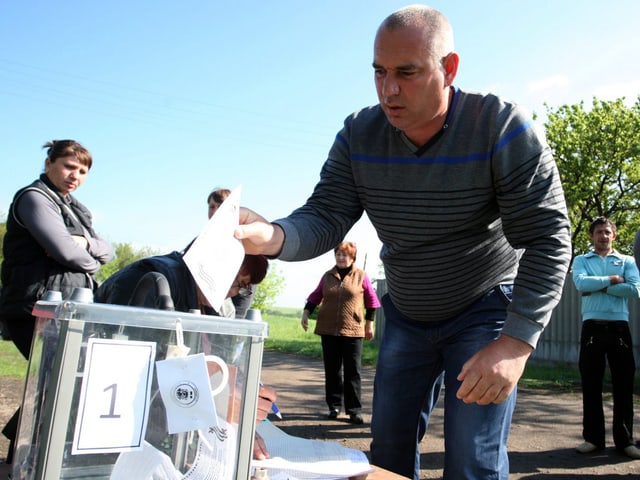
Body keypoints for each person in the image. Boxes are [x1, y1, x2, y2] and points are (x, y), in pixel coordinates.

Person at [233, 5, 571, 478]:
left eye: (406, 73)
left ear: (448, 69)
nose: (389, 89)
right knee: (385, 453)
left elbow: (549, 236)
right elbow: (326, 214)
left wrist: (515, 342)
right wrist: (274, 235)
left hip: (483, 310)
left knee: (471, 458)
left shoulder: (501, 127)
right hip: (408, 315)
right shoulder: (359, 134)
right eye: (379, 72)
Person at [94, 249, 277, 459]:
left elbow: (212, 367)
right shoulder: (150, 280)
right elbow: (130, 375)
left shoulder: (218, 307)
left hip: (160, 440)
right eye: (238, 282)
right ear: (216, 265)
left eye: (244, 288)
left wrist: (238, 426)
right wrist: (216, 402)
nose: (236, 292)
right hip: (115, 438)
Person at [0, 139, 114, 463]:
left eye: (82, 171)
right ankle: (22, 458)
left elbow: (108, 249)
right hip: (34, 307)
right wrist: (88, 256)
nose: (74, 175)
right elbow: (64, 251)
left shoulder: (78, 209)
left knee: (67, 380)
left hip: (69, 308)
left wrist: (84, 244)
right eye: (68, 166)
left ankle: (31, 456)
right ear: (49, 163)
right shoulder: (34, 198)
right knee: (59, 378)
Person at [572, 217, 640, 459]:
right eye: (599, 232)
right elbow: (580, 283)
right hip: (592, 326)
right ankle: (593, 439)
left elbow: (634, 289)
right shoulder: (581, 260)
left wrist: (597, 286)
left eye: (607, 232)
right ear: (591, 236)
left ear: (615, 235)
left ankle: (625, 441)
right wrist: (612, 280)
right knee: (591, 384)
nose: (603, 236)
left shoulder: (626, 260)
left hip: (619, 327)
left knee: (623, 384)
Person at [300, 241, 381, 425]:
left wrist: (370, 325)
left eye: (345, 255)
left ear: (352, 257)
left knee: (353, 371)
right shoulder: (328, 276)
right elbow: (315, 295)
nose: (341, 258)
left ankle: (354, 410)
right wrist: (306, 313)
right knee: (332, 370)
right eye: (338, 255)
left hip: (353, 330)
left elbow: (371, 301)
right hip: (328, 329)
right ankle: (334, 406)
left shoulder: (361, 276)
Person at [206, 187, 256, 319]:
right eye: (211, 207)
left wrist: (236, 321)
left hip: (229, 316)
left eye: (220, 206)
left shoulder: (243, 242)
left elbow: (247, 287)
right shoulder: (202, 241)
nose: (215, 211)